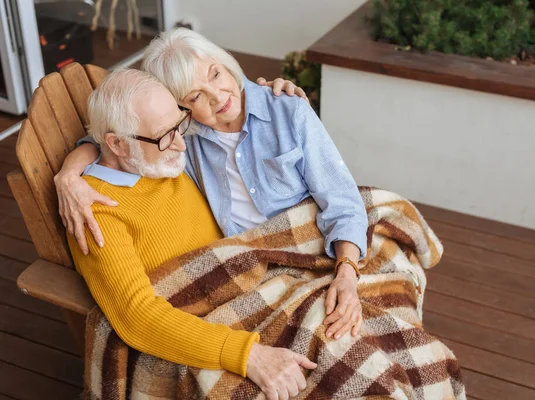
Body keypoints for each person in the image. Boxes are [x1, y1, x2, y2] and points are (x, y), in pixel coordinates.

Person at [56, 28, 368, 347]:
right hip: (247, 268)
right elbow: (115, 143)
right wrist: (69, 174)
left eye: (216, 73)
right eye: (195, 97)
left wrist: (346, 272)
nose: (218, 96)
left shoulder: (287, 109)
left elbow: (342, 202)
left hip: (315, 247)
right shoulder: (184, 139)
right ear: (180, 109)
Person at [69, 69, 317, 400]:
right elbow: (137, 317)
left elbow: (216, 97)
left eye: (180, 125)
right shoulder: (94, 210)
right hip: (202, 334)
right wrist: (249, 356)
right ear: (117, 143)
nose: (181, 143)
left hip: (255, 284)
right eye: (164, 135)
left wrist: (269, 94)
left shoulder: (158, 158)